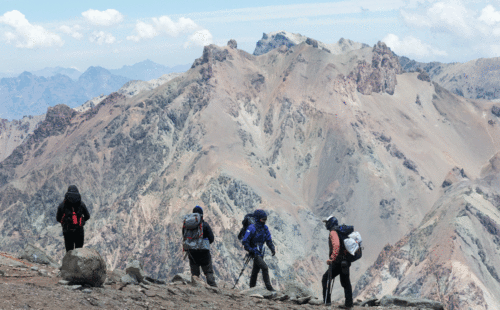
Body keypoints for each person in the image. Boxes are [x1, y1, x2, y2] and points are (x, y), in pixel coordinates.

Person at [321, 215, 353, 308]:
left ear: (331, 223)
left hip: (338, 261)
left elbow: (337, 246)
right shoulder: (340, 231)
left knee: (325, 278)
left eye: (327, 222)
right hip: (345, 261)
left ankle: (327, 302)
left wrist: (332, 258)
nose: (326, 224)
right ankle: (349, 304)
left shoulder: (333, 232)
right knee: (346, 282)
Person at [241, 209, 276, 291]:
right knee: (264, 267)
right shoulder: (251, 228)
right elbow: (245, 241)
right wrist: (250, 249)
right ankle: (269, 287)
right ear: (258, 218)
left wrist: (272, 248)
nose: (264, 221)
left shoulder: (265, 228)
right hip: (254, 251)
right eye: (262, 219)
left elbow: (268, 240)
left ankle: (252, 288)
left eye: (265, 220)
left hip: (261, 251)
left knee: (255, 270)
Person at [182, 206, 217, 287]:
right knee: (208, 272)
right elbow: (211, 239)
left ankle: (195, 290)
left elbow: (184, 236)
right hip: (203, 252)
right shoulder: (205, 225)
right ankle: (213, 288)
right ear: (202, 215)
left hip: (191, 252)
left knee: (195, 274)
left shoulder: (187, 225)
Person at [56, 185, 91, 252]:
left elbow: (58, 218)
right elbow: (87, 216)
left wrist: (65, 223)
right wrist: (82, 221)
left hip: (67, 231)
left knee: (69, 252)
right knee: (79, 252)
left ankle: (70, 262)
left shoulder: (62, 205)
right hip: (79, 231)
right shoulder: (81, 204)